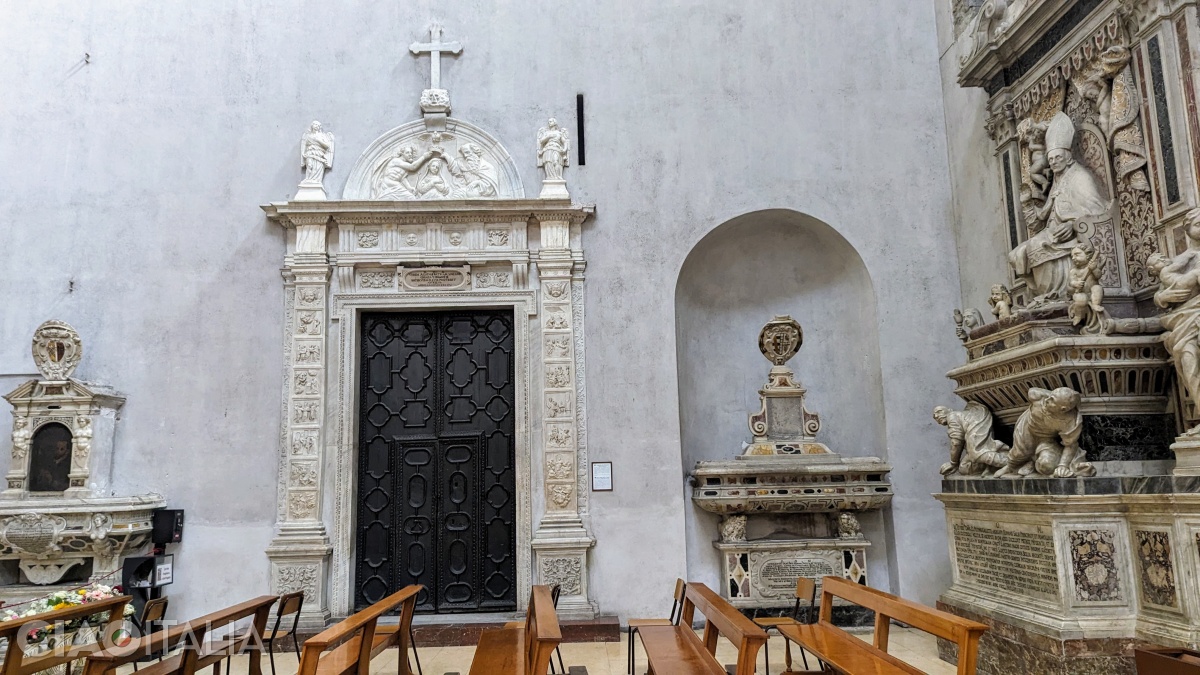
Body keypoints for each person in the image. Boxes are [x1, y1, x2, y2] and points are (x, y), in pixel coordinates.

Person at [1008, 112, 1110, 304]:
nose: (1053, 162)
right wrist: (1027, 202)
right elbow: (1041, 219)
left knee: (1035, 247)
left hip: (1074, 235)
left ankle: (1057, 293)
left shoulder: (1079, 177)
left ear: (1068, 157)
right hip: (1054, 232)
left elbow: (1097, 210)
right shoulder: (1057, 180)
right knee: (1016, 254)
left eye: (1057, 157)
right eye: (1051, 158)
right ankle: (1047, 295)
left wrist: (1073, 224)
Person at [1154, 209, 1200, 434]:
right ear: (1188, 230)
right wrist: (1164, 297)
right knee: (1184, 351)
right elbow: (1161, 293)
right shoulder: (1185, 258)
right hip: (1186, 318)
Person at [300, 121, 334, 186]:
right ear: (312, 126)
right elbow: (305, 145)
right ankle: (308, 179)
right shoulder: (308, 136)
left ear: (319, 127)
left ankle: (316, 180)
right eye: (315, 124)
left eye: (317, 125)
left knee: (317, 167)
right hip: (310, 152)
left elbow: (327, 146)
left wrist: (318, 140)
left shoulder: (322, 136)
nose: (316, 126)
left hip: (319, 153)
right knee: (309, 165)